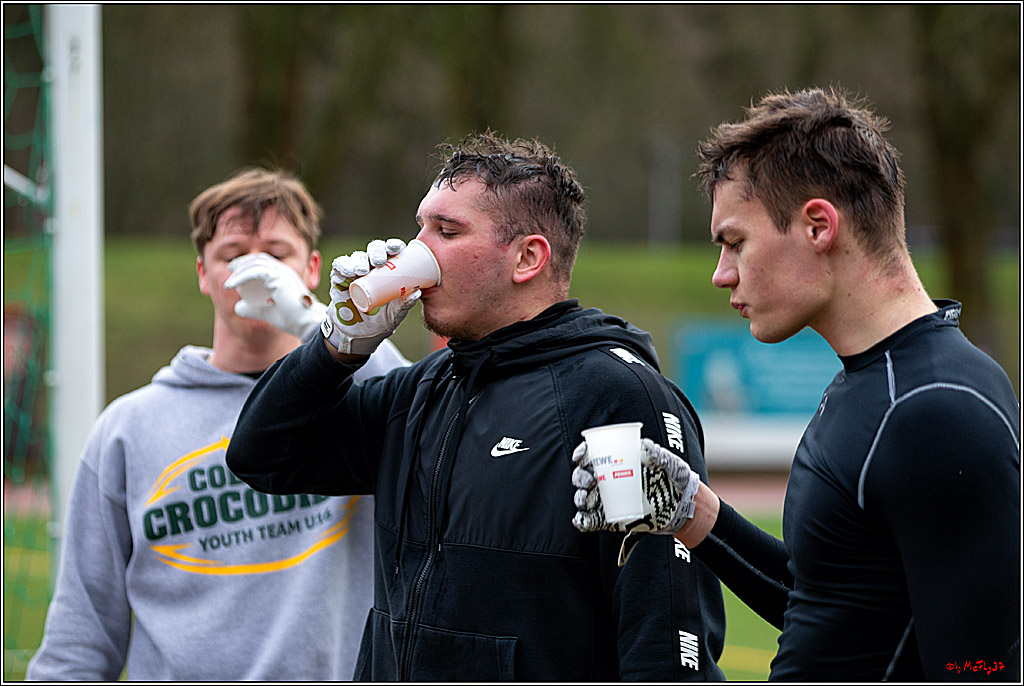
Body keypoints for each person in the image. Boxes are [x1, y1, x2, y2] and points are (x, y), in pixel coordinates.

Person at [225, 132, 727, 681]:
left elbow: (665, 639)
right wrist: (335, 346)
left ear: (528, 258)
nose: (414, 251)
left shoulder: (613, 398)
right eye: (420, 227)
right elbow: (262, 455)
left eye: (446, 231)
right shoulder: (421, 391)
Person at [572, 87, 1021, 681]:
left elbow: (981, 670)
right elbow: (836, 612)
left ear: (817, 226)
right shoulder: (877, 381)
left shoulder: (931, 410)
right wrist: (692, 511)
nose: (720, 274)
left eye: (735, 242)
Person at [26, 168, 410, 680]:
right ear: (203, 273)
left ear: (313, 268)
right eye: (233, 255)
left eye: (276, 255)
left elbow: (424, 417)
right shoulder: (128, 428)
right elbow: (80, 638)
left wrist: (318, 322)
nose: (255, 270)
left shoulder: (362, 393)